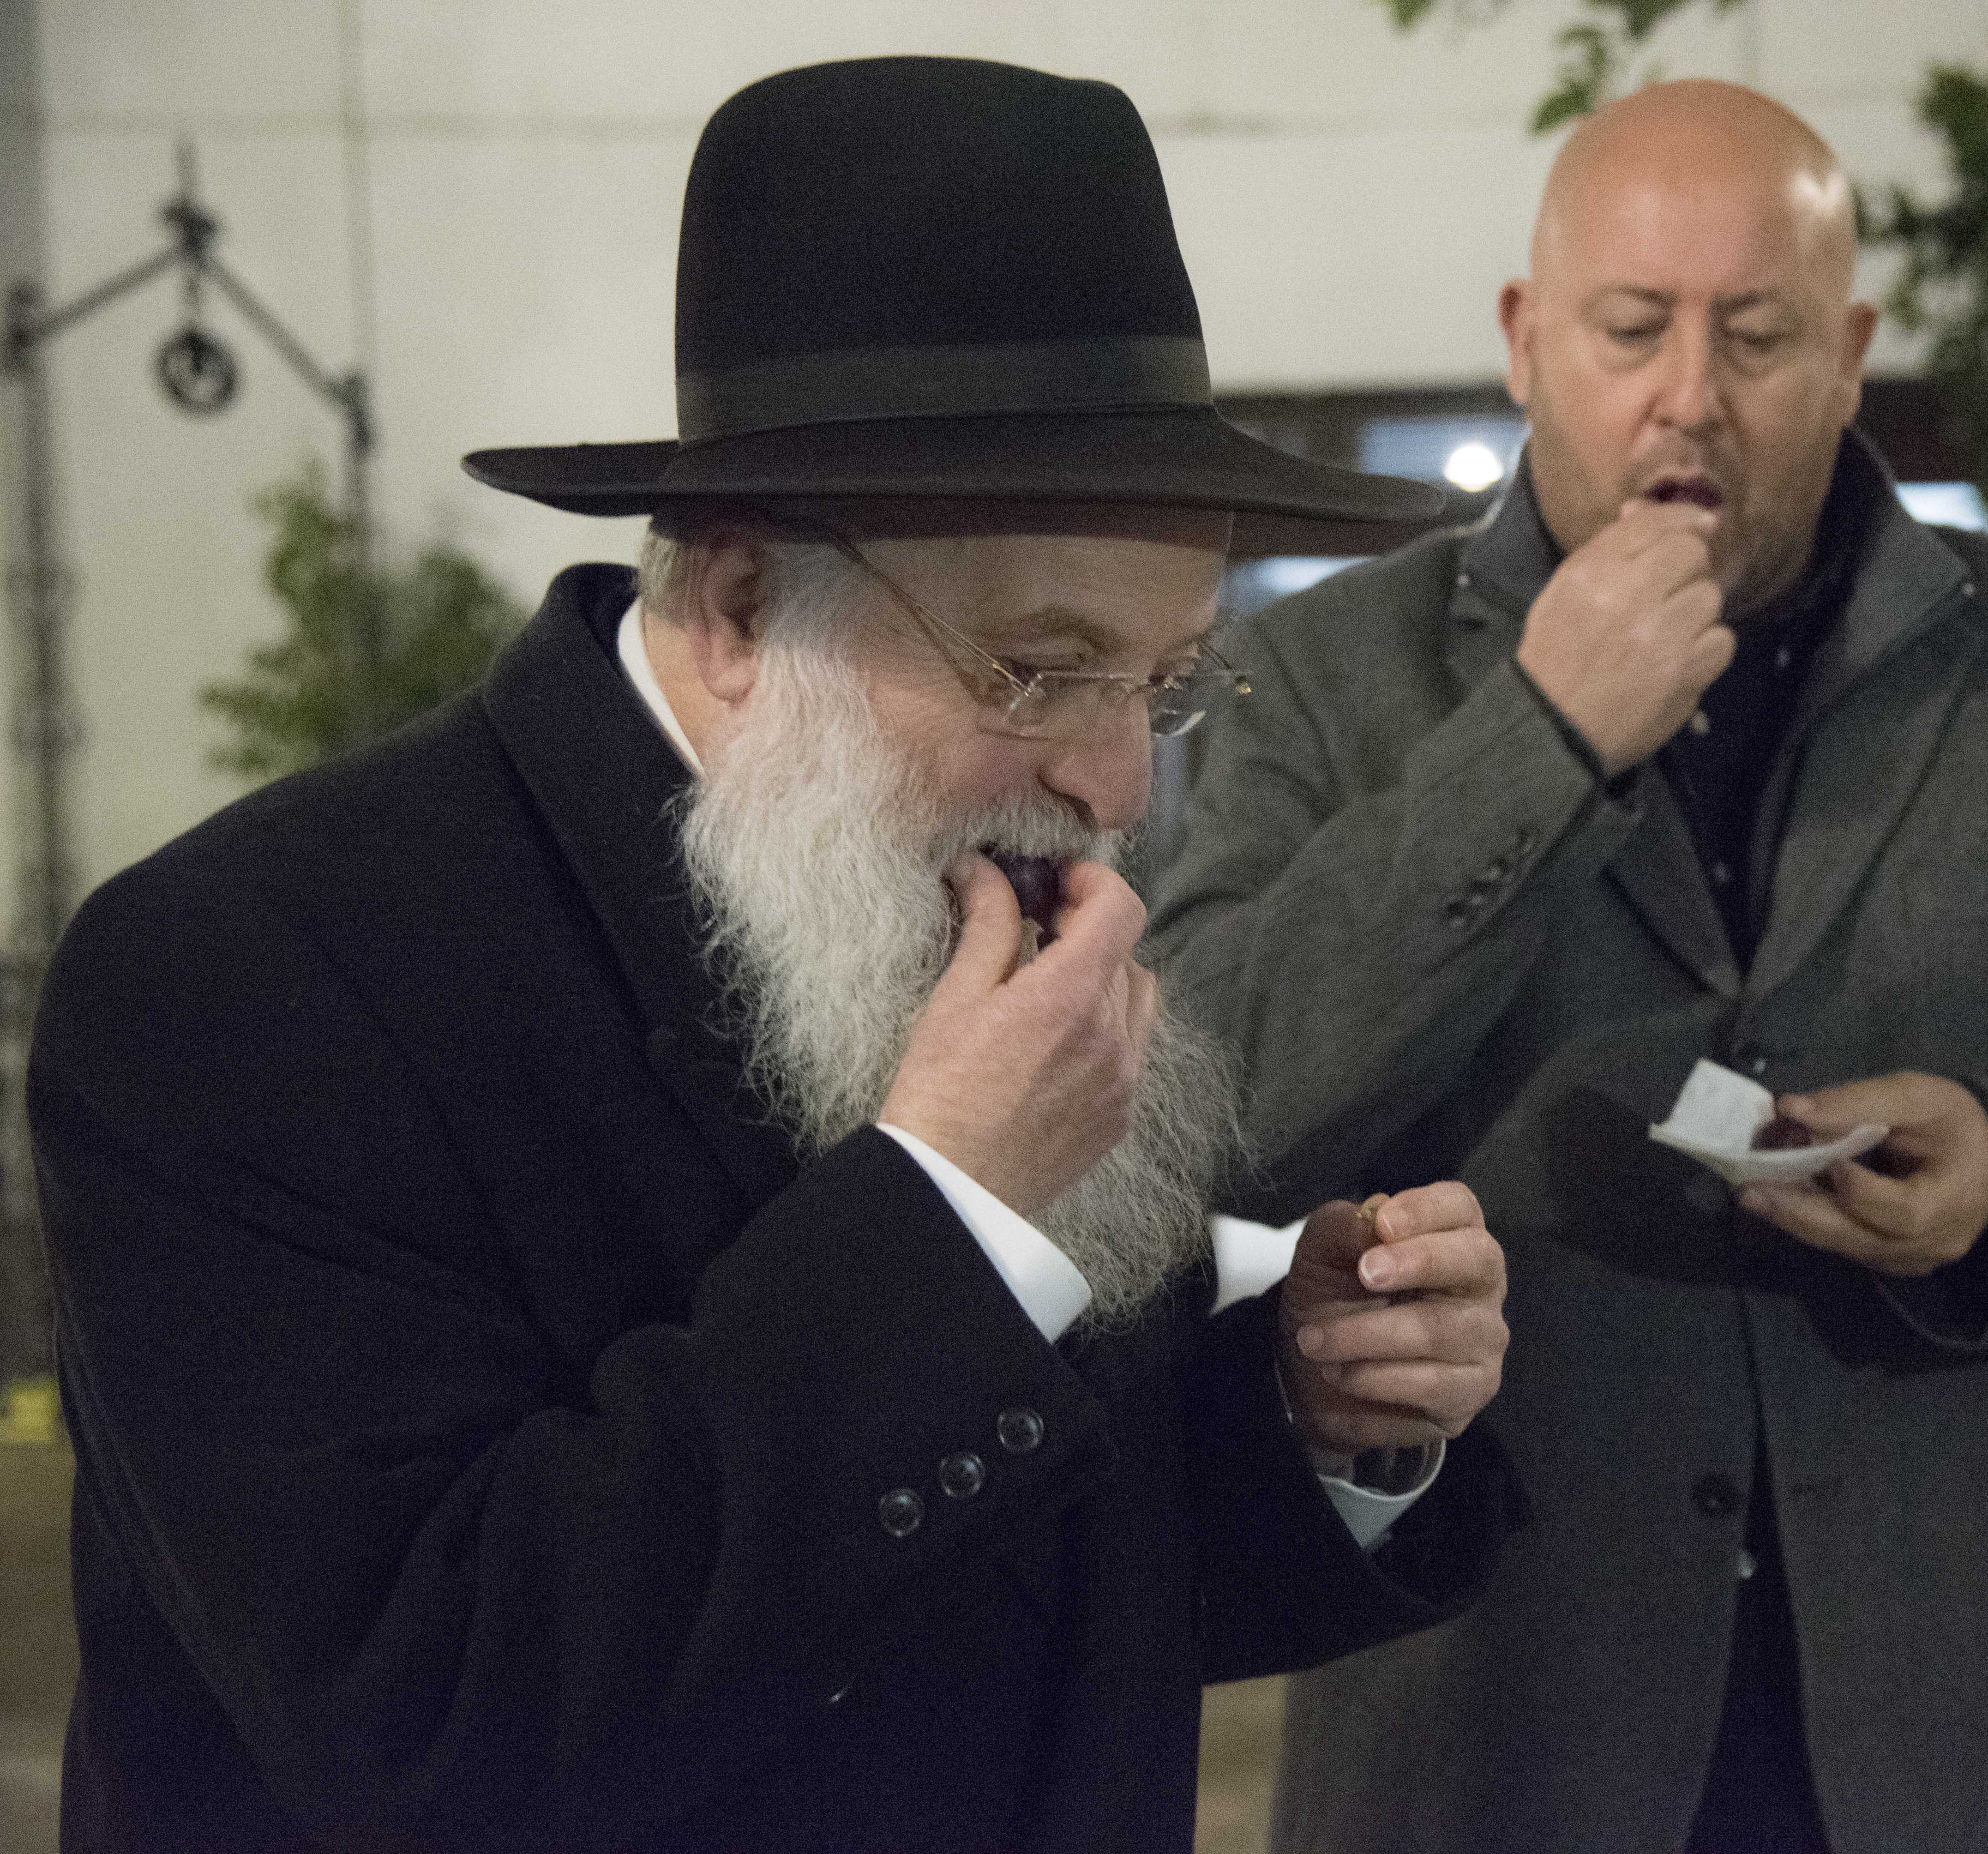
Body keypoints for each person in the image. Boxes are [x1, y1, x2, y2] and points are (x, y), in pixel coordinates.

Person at [36, 58, 1520, 1854]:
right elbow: (428, 1727)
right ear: (744, 606)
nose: (1120, 782)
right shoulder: (243, 977)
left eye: (1165, 677)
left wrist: (1312, 1413)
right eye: (1043, 669)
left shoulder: (974, 890)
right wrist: (953, 1213)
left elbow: (1052, 1595)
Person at [1148, 77, 1988, 1854]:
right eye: (1633, 328)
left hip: (1956, 1708)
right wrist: (1542, 739)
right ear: (1527, 341)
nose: (1689, 392)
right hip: (1502, 1696)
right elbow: (1202, 1116)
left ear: (1849, 354)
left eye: (1758, 334)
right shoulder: (1321, 678)